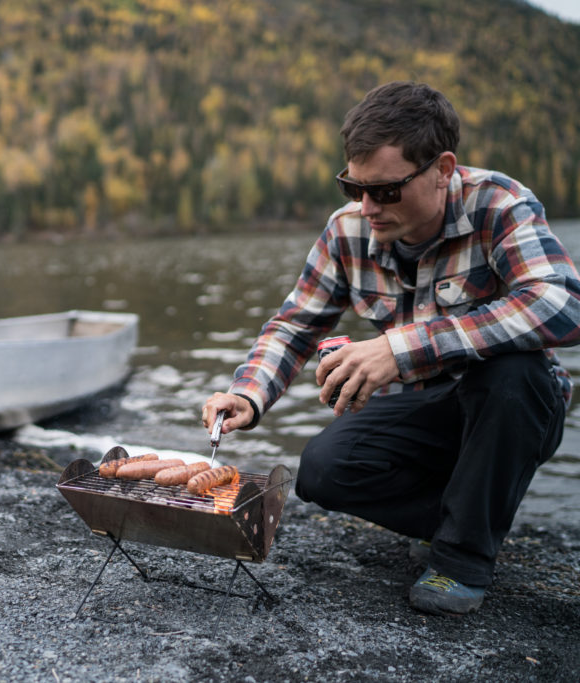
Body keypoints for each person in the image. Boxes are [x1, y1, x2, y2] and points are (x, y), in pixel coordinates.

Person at [201, 82, 580, 616]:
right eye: (352, 188)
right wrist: (249, 394)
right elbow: (294, 326)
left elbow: (562, 303)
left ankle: (461, 560)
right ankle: (464, 515)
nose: (367, 207)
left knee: (513, 372)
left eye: (385, 191)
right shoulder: (348, 230)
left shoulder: (500, 206)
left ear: (443, 169)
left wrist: (403, 348)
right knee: (322, 471)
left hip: (513, 412)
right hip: (425, 412)